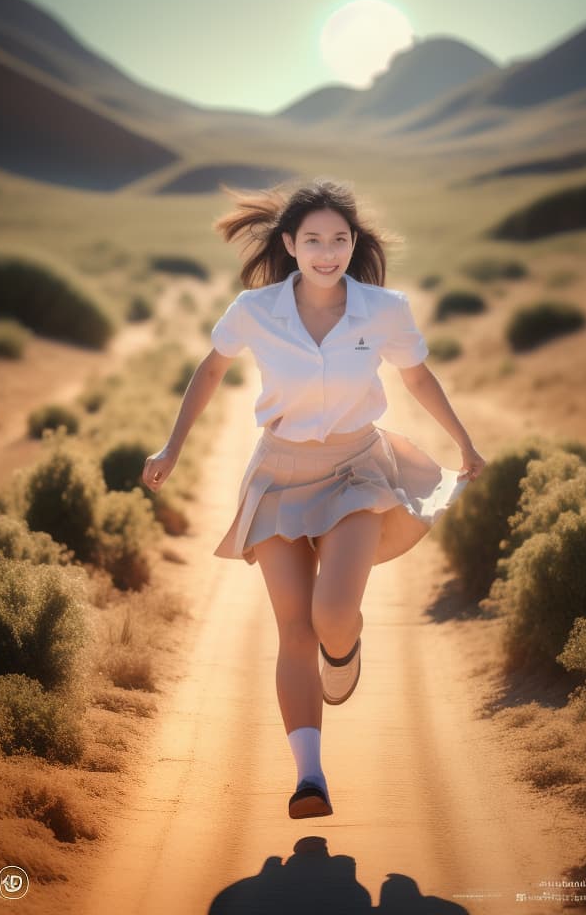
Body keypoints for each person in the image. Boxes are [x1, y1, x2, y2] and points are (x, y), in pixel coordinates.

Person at [142, 178, 486, 821]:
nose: (327, 252)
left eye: (339, 239)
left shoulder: (384, 308)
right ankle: (310, 778)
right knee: (292, 629)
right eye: (313, 240)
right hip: (278, 473)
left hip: (357, 469)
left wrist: (463, 441)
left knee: (332, 614)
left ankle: (344, 646)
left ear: (354, 244)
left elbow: (416, 376)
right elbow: (211, 369)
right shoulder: (254, 310)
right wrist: (172, 448)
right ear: (290, 245)